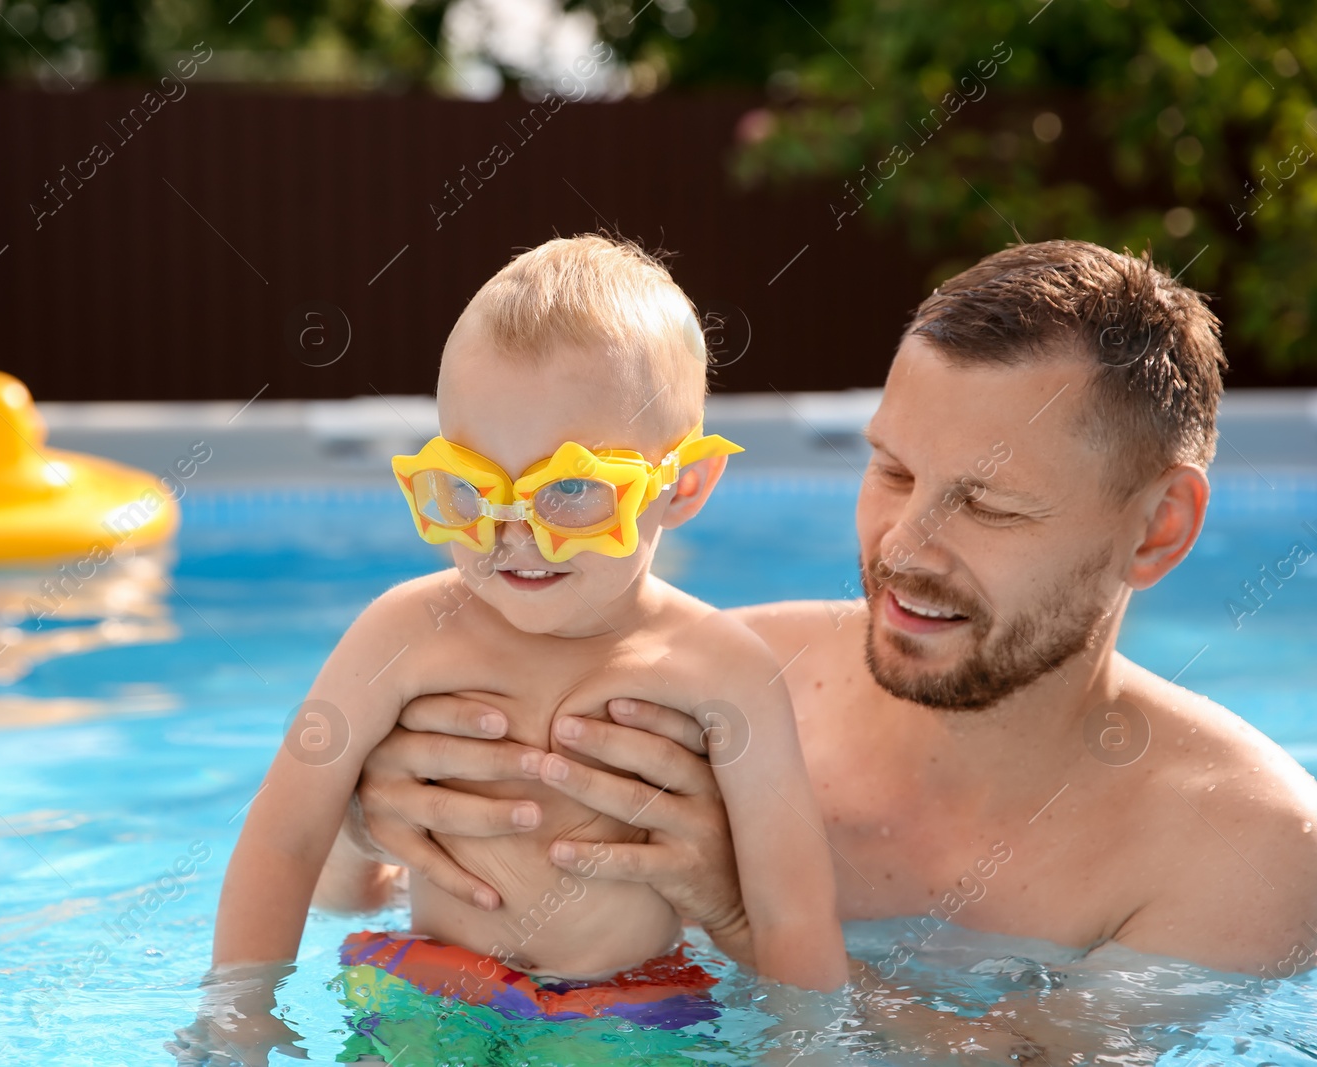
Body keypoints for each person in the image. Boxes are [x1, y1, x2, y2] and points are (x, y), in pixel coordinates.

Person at [321, 240, 1317, 987]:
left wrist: (739, 916)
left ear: (1157, 529)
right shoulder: (724, 673)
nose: (904, 549)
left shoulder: (1242, 848)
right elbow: (365, 907)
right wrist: (364, 819)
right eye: (890, 470)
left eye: (987, 504)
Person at [212, 235, 847, 1063]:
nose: (513, 536)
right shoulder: (400, 633)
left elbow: (791, 913)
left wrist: (808, 1050)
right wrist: (238, 1023)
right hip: (434, 989)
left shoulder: (724, 671)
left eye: (571, 488)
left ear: (683, 485)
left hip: (630, 1010)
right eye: (470, 488)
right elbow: (282, 837)